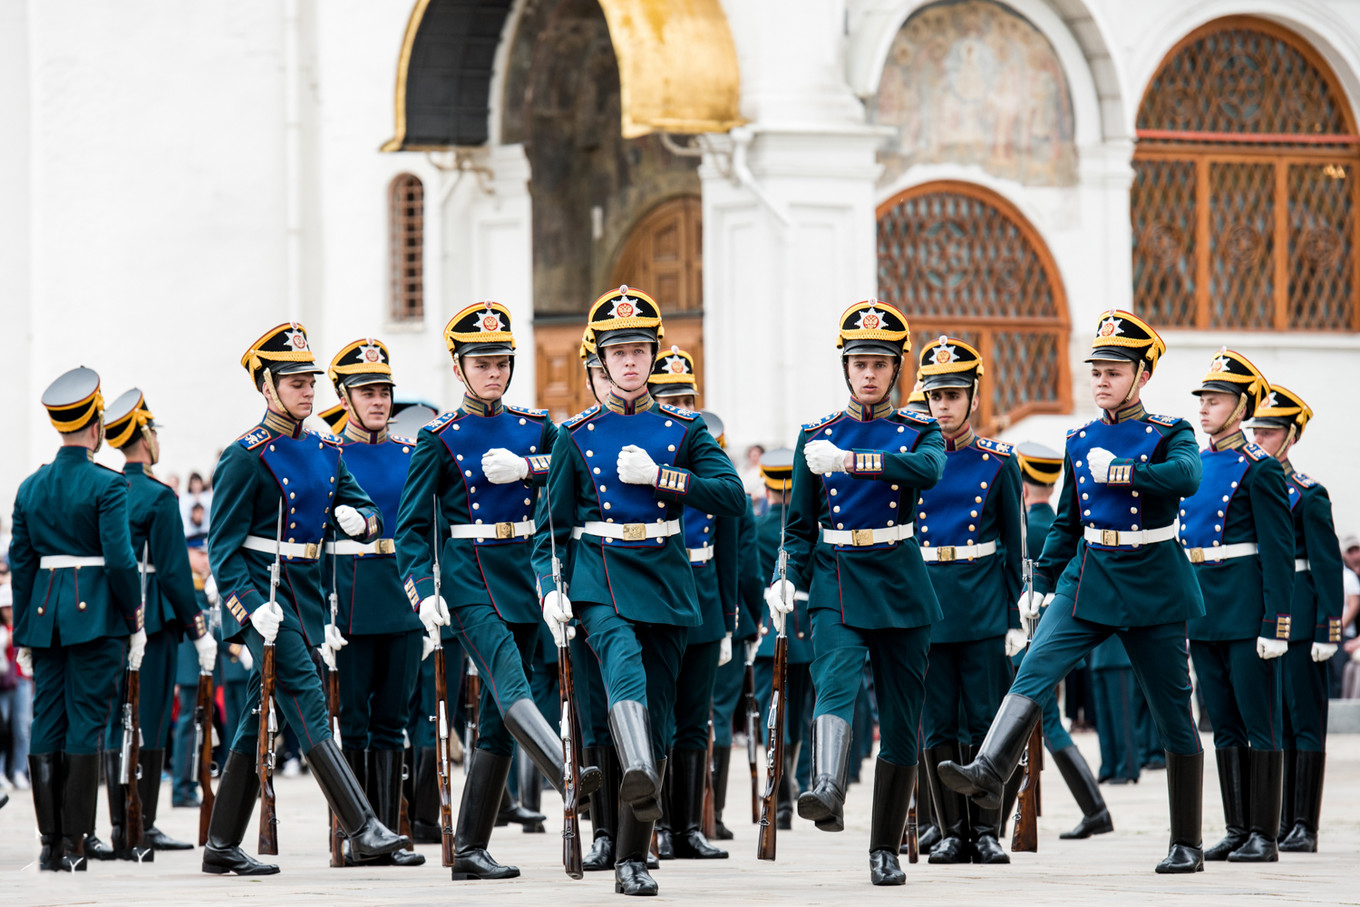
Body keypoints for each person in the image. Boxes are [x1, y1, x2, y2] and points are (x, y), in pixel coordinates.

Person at [939, 309, 1207, 875]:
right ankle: (990, 767)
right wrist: (1037, 584)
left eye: (1114, 371)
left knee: (1172, 715)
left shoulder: (1170, 431)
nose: (1102, 381)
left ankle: (1187, 842)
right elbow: (1067, 521)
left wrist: (1128, 473)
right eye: (1097, 372)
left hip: (1153, 580)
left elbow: (1188, 478)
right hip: (1089, 575)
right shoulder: (1080, 438)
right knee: (1034, 669)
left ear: (1142, 376)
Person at [533, 285, 746, 896]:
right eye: (618, 352)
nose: (630, 362)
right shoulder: (575, 434)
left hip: (667, 576)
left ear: (654, 356)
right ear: (601, 360)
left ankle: (632, 857)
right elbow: (550, 525)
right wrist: (551, 586)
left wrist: (664, 478)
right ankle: (629, 816)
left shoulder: (683, 430)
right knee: (621, 668)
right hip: (600, 573)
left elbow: (730, 496)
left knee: (654, 715)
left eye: (640, 351)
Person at [395, 302, 602, 881]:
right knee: (508, 678)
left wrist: (529, 467)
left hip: (526, 573)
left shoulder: (535, 427)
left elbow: (577, 472)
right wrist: (421, 590)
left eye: (502, 363)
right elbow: (410, 526)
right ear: (459, 369)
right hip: (468, 575)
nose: (494, 373)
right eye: (482, 363)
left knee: (495, 718)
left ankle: (468, 848)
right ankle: (567, 772)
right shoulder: (439, 438)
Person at [203, 323, 411, 876]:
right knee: (307, 698)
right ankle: (362, 825)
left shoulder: (324, 448)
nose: (306, 390)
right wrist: (248, 606)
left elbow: (367, 511)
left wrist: (361, 522)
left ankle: (221, 843)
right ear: (267, 387)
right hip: (265, 595)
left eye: (309, 381)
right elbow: (221, 550)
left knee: (258, 717)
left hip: (307, 596)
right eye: (293, 381)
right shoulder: (245, 455)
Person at [770, 299, 945, 886]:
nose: (868, 374)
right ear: (844, 368)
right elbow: (798, 524)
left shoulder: (919, 431)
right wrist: (786, 575)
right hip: (838, 572)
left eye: (879, 363)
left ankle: (884, 848)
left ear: (897, 369)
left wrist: (851, 461)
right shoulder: (815, 435)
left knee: (900, 720)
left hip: (898, 574)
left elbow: (927, 472)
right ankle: (825, 785)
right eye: (858, 363)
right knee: (835, 678)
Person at [10, 367, 143, 871]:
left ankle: (49, 843)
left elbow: (22, 566)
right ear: (96, 426)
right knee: (86, 722)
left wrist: (24, 628)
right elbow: (121, 561)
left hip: (44, 618)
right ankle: (74, 842)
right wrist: (134, 617)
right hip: (96, 619)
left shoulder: (31, 486)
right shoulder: (107, 485)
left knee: (48, 719)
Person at [85, 389, 217, 860]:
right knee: (151, 720)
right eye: (154, 431)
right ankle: (143, 824)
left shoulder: (107, 486)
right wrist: (198, 627)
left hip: (110, 620)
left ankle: (121, 822)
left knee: (115, 721)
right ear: (144, 436)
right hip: (155, 622)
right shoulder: (159, 496)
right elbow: (176, 574)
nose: (157, 439)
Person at [1181, 350, 1293, 863]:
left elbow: (1277, 552)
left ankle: (1265, 834)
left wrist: (1277, 622)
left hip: (1247, 610)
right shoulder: (1197, 465)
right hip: (1204, 608)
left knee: (1258, 721)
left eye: (1217, 399)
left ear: (1242, 406)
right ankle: (1236, 826)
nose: (1205, 407)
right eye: (1203, 398)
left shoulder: (1260, 469)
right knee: (1221, 721)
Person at [914, 335, 1022, 865]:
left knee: (984, 720)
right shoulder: (912, 460)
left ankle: (987, 831)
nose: (944, 406)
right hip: (928, 602)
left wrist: (1014, 614)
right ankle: (952, 829)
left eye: (954, 395)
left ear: (973, 398)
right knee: (939, 724)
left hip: (980, 603)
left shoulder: (998, 461)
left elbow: (1015, 549)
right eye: (936, 396)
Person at [322, 338, 428, 867]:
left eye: (384, 391)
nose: (379, 400)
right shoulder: (328, 456)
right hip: (352, 600)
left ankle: (385, 834)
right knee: (354, 722)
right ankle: (357, 833)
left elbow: (425, 529)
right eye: (366, 391)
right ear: (344, 396)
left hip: (403, 598)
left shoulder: (411, 455)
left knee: (394, 720)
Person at [645, 347, 734, 861]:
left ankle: (687, 828)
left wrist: (729, 621)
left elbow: (729, 547)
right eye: (670, 397)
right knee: (656, 714)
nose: (680, 406)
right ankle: (653, 825)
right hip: (659, 588)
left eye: (686, 398)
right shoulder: (644, 454)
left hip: (701, 597)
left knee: (694, 717)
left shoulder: (702, 454)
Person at [1247, 385, 1341, 853]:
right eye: (1257, 430)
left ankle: (1305, 822)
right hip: (1267, 617)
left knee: (1306, 723)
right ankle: (1280, 819)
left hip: (1303, 622)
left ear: (1290, 437)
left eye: (1270, 431)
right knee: (1277, 721)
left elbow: (1327, 565)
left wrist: (1330, 626)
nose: (1260, 438)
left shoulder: (1308, 494)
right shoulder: (1249, 482)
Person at [1009, 441, 1112, 839]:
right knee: (1038, 725)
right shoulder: (1049, 522)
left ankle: (1094, 809)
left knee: (1044, 723)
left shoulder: (1030, 529)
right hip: (1046, 638)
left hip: (1033, 642)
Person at [752, 447, 815, 831]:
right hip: (804, 630)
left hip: (765, 626)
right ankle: (788, 789)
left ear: (765, 482)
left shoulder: (758, 528)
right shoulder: (811, 528)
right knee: (797, 716)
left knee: (772, 718)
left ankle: (781, 794)